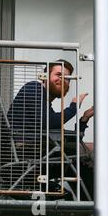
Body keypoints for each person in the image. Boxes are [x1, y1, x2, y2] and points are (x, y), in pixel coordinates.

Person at [7, 59, 94, 200]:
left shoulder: (45, 103)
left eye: (67, 78)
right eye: (58, 75)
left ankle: (93, 204)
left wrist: (84, 119)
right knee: (83, 158)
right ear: (45, 76)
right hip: (27, 155)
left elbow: (60, 133)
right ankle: (96, 204)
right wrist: (73, 106)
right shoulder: (33, 88)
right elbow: (49, 123)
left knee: (81, 155)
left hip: (36, 154)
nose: (62, 80)